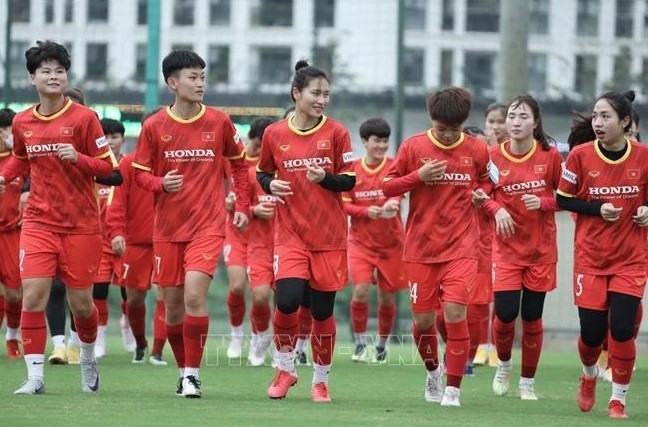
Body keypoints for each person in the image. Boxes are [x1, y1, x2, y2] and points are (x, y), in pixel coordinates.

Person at [0, 40, 118, 394]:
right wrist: (6, 177)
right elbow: (22, 158)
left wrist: (78, 158)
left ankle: (87, 357)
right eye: (46, 71)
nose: (54, 76)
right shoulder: (22, 121)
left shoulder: (84, 119)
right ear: (32, 78)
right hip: (38, 221)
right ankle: (35, 377)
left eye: (60, 71)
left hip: (81, 225)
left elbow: (113, 172)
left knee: (81, 304)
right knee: (32, 296)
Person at [133, 50, 249, 398]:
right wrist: (159, 184)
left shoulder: (220, 121)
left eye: (202, 77)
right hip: (167, 230)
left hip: (208, 226)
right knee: (173, 307)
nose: (200, 83)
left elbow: (241, 167)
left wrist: (241, 204)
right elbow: (139, 175)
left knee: (195, 296)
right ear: (172, 83)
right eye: (192, 77)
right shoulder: (154, 126)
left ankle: (193, 376)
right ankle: (183, 370)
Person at [383, 86, 490, 407]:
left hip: (462, 247)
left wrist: (481, 194)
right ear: (432, 120)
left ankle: (453, 389)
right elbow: (388, 186)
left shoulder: (477, 149)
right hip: (420, 249)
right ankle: (433, 372)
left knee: (457, 313)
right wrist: (418, 176)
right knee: (424, 321)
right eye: (440, 128)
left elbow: (487, 180)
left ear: (463, 124)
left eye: (453, 130)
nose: (446, 135)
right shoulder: (413, 147)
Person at [257, 60, 355, 402]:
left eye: (327, 94)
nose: (322, 100)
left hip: (328, 237)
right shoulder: (274, 133)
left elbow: (350, 179)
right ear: (296, 93)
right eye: (316, 93)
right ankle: (285, 369)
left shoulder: (337, 132)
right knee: (286, 302)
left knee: (322, 313)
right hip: (290, 233)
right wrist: (271, 185)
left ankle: (321, 380)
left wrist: (324, 179)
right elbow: (262, 172)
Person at [557, 90, 648, 419]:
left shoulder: (644, 156)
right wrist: (596, 208)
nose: (598, 122)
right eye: (595, 116)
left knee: (622, 329)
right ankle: (589, 374)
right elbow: (563, 199)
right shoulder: (580, 156)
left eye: (605, 116)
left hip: (631, 258)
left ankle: (618, 400)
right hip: (591, 259)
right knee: (592, 335)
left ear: (625, 123)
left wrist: (645, 211)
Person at [473, 95, 563, 400]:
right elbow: (482, 193)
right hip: (507, 250)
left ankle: (527, 382)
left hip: (540, 250)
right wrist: (496, 209)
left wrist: (543, 202)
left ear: (535, 122)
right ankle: (504, 365)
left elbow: (566, 197)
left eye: (523, 116)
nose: (515, 122)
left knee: (532, 317)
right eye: (511, 115)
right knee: (506, 314)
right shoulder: (494, 157)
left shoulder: (550, 157)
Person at [105, 109, 168, 365]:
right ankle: (141, 345)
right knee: (134, 299)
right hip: (135, 242)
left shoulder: (175, 161)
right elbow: (116, 203)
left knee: (166, 296)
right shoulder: (129, 164)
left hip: (168, 240)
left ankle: (158, 351)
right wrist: (116, 232)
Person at [343, 117, 406, 364]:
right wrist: (365, 212)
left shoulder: (394, 168)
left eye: (385, 141)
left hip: (391, 244)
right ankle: (360, 342)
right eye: (376, 141)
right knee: (360, 291)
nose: (381, 146)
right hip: (360, 243)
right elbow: (344, 205)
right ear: (364, 142)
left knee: (387, 297)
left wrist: (393, 203)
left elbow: (398, 195)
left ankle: (381, 344)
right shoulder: (353, 170)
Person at [473, 103, 508, 368]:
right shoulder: (479, 154)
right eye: (491, 121)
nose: (495, 127)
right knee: (480, 295)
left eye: (500, 121)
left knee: (503, 297)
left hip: (508, 234)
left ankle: (498, 347)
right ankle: (481, 346)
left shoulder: (512, 155)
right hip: (481, 233)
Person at [93, 118, 127, 358]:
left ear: (122, 139)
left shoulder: (130, 165)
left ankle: (128, 329)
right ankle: (100, 337)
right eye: (105, 137)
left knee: (129, 293)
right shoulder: (95, 167)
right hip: (98, 242)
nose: (110, 142)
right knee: (98, 292)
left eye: (114, 137)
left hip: (126, 242)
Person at [243, 117, 276, 367]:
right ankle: (260, 337)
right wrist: (255, 210)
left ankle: (284, 347)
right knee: (261, 295)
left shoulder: (289, 170)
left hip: (286, 244)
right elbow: (240, 206)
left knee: (288, 303)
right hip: (259, 244)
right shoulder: (253, 173)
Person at [0, 107, 24, 359]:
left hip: (11, 233)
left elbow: (36, 182)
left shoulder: (19, 159)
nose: (10, 135)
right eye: (7, 130)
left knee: (14, 292)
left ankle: (12, 336)